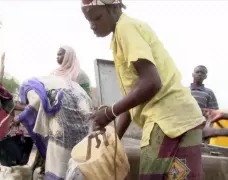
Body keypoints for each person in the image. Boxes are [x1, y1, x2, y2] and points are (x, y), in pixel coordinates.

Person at [81, 1, 205, 179]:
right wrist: (111, 144)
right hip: (186, 119)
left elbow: (151, 82)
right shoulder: (120, 35)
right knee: (180, 176)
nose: (92, 25)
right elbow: (132, 105)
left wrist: (109, 113)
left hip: (166, 120)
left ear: (114, 8)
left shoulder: (125, 28)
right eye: (89, 21)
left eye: (97, 17)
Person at [16, 75, 93, 180]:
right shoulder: (79, 93)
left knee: (58, 164)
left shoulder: (32, 87)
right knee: (75, 164)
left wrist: (19, 118)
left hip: (60, 135)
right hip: (80, 137)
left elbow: (35, 105)